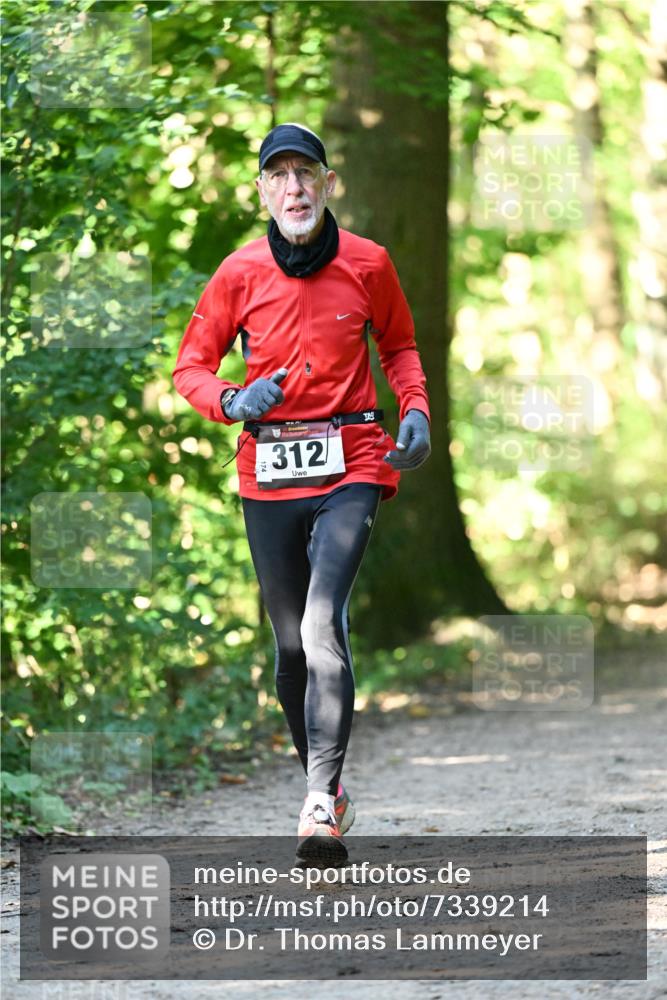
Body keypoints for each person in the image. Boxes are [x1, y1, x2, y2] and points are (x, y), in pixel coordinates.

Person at [173, 123, 431, 864]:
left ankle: (318, 803)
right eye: (277, 175)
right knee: (291, 648)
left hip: (352, 458)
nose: (293, 187)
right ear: (261, 189)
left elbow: (401, 346)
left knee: (323, 621)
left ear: (327, 183)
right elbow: (190, 368)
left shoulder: (369, 264)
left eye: (305, 173)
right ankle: (328, 789)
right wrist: (232, 400)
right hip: (270, 470)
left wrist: (411, 411)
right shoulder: (238, 272)